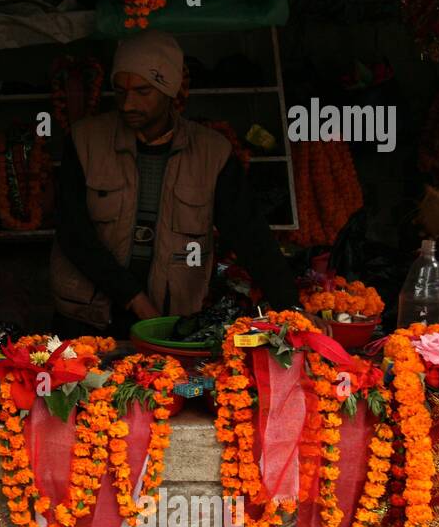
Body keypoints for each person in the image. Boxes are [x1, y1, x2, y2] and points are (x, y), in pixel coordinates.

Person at [51, 29, 298, 338]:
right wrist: (135, 299)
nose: (128, 104)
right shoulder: (85, 140)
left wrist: (293, 311)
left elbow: (250, 235)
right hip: (88, 316)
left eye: (143, 91)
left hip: (170, 319)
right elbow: (74, 232)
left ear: (169, 90)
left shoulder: (212, 152)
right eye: (120, 91)